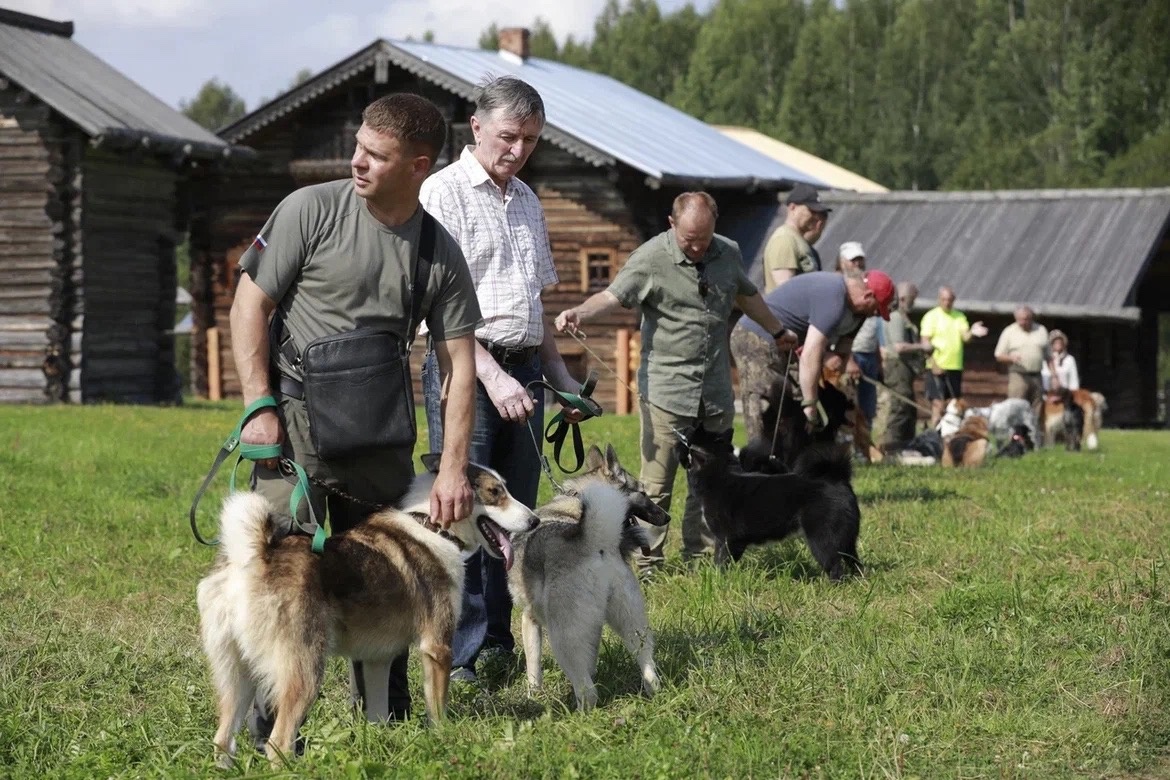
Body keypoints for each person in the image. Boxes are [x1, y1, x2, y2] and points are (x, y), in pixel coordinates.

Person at [229, 94, 482, 742]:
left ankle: (387, 721)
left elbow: (460, 366)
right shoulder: (308, 210)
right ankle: (271, 730)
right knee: (281, 571)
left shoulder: (437, 251)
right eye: (358, 146)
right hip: (295, 426)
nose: (357, 161)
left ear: (418, 165)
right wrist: (259, 406)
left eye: (376, 154)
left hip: (377, 439)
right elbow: (249, 305)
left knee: (387, 577)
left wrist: (453, 468)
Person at [419, 76, 584, 685]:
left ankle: (499, 644)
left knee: (514, 513)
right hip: (467, 367)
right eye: (510, 136)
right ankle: (459, 656)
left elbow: (537, 303)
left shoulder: (529, 200)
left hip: (526, 371)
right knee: (462, 507)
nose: (517, 150)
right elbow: (436, 309)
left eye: (531, 141)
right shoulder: (443, 193)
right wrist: (486, 373)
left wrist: (561, 378)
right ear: (477, 126)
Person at [554, 191, 797, 571]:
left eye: (704, 238)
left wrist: (778, 330)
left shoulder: (727, 252)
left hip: (714, 391)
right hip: (667, 390)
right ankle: (650, 564)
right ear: (672, 224)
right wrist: (579, 312)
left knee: (714, 479)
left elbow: (748, 296)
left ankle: (699, 557)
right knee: (657, 482)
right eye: (689, 240)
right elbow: (613, 295)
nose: (698, 247)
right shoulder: (651, 257)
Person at [729, 270, 896, 443]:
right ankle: (760, 460)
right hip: (757, 336)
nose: (875, 315)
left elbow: (842, 350)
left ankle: (789, 460)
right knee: (768, 400)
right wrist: (810, 404)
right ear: (867, 295)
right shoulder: (834, 297)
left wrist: (841, 361)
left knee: (794, 403)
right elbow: (811, 355)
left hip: (788, 344)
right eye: (877, 308)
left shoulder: (859, 313)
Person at [920, 286, 988, 427]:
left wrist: (973, 332)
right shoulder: (931, 316)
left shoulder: (959, 316)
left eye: (950, 300)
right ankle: (935, 432)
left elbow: (965, 337)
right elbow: (925, 342)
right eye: (944, 300)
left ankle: (951, 433)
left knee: (953, 403)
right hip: (937, 366)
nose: (947, 303)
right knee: (938, 403)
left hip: (954, 366)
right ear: (939, 299)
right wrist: (933, 364)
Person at [879, 282, 932, 451]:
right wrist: (922, 347)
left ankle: (907, 446)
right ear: (902, 298)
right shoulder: (895, 318)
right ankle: (890, 447)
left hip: (905, 369)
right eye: (912, 299)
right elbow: (899, 347)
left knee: (908, 408)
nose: (914, 303)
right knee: (900, 407)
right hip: (897, 366)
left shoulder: (903, 318)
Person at [835, 241, 881, 424]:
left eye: (860, 260)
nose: (858, 264)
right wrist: (849, 358)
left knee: (868, 408)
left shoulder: (868, 286)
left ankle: (864, 447)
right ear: (842, 262)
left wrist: (878, 357)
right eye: (853, 260)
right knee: (848, 405)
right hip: (848, 355)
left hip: (869, 353)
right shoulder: (839, 286)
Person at [760, 183, 831, 291]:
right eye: (811, 211)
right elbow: (786, 290)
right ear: (793, 208)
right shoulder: (784, 239)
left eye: (818, 212)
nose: (816, 216)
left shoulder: (796, 239)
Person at [994, 306, 1049, 409]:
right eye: (1019, 320)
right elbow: (998, 355)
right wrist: (1010, 358)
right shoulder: (1009, 331)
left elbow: (1049, 356)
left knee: (1037, 406)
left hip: (1037, 375)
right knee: (1016, 406)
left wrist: (1054, 375)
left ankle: (1035, 425)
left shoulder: (1041, 330)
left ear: (1031, 318)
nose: (1022, 322)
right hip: (1018, 375)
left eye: (1025, 319)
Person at [1041, 329, 1079, 393]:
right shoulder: (1044, 360)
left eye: (1060, 342)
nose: (1058, 344)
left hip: (1065, 395)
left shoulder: (1069, 359)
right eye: (1055, 342)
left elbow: (1074, 381)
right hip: (1047, 394)